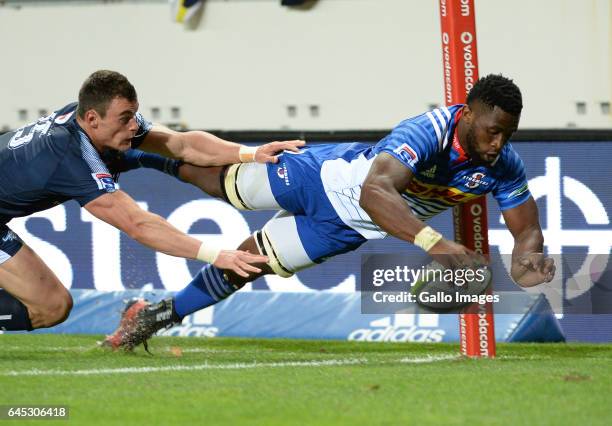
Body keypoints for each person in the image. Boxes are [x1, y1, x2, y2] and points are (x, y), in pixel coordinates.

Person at [104, 74, 556, 350]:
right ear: (468, 116)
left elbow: (527, 231)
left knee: (249, 263)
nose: (499, 145)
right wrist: (436, 245)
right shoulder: (429, 130)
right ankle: (134, 150)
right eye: (493, 132)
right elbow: (375, 193)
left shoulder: (503, 166)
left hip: (342, 230)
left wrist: (528, 266)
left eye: (508, 135)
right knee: (220, 183)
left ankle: (153, 315)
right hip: (322, 177)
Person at [0, 69, 304, 333]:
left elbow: (182, 144)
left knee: (53, 306)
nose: (133, 126)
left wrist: (250, 153)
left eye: (133, 115)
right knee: (50, 306)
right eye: (124, 119)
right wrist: (216, 255)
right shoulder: (69, 158)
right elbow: (138, 224)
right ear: (92, 118)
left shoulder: (86, 120)